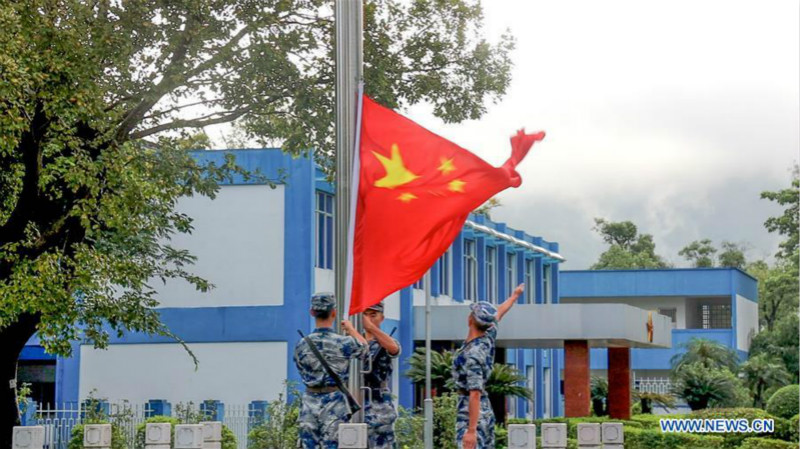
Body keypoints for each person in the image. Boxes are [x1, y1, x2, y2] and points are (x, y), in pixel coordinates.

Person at [453, 284, 525, 449]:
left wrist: (471, 431)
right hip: (483, 410)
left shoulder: (472, 354)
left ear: (470, 320)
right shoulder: (487, 337)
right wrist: (514, 296)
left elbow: (475, 393)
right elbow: (499, 313)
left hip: (471, 413)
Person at [294, 292, 368, 449]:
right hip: (335, 401)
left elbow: (299, 366)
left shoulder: (302, 344)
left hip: (309, 401)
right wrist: (351, 330)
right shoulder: (344, 342)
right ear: (333, 313)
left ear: (312, 313)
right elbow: (364, 349)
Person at [362, 302, 401, 449]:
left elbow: (394, 349)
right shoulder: (354, 342)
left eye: (373, 315)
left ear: (382, 318)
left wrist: (371, 328)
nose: (369, 319)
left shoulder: (385, 342)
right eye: (365, 315)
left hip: (379, 404)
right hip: (356, 401)